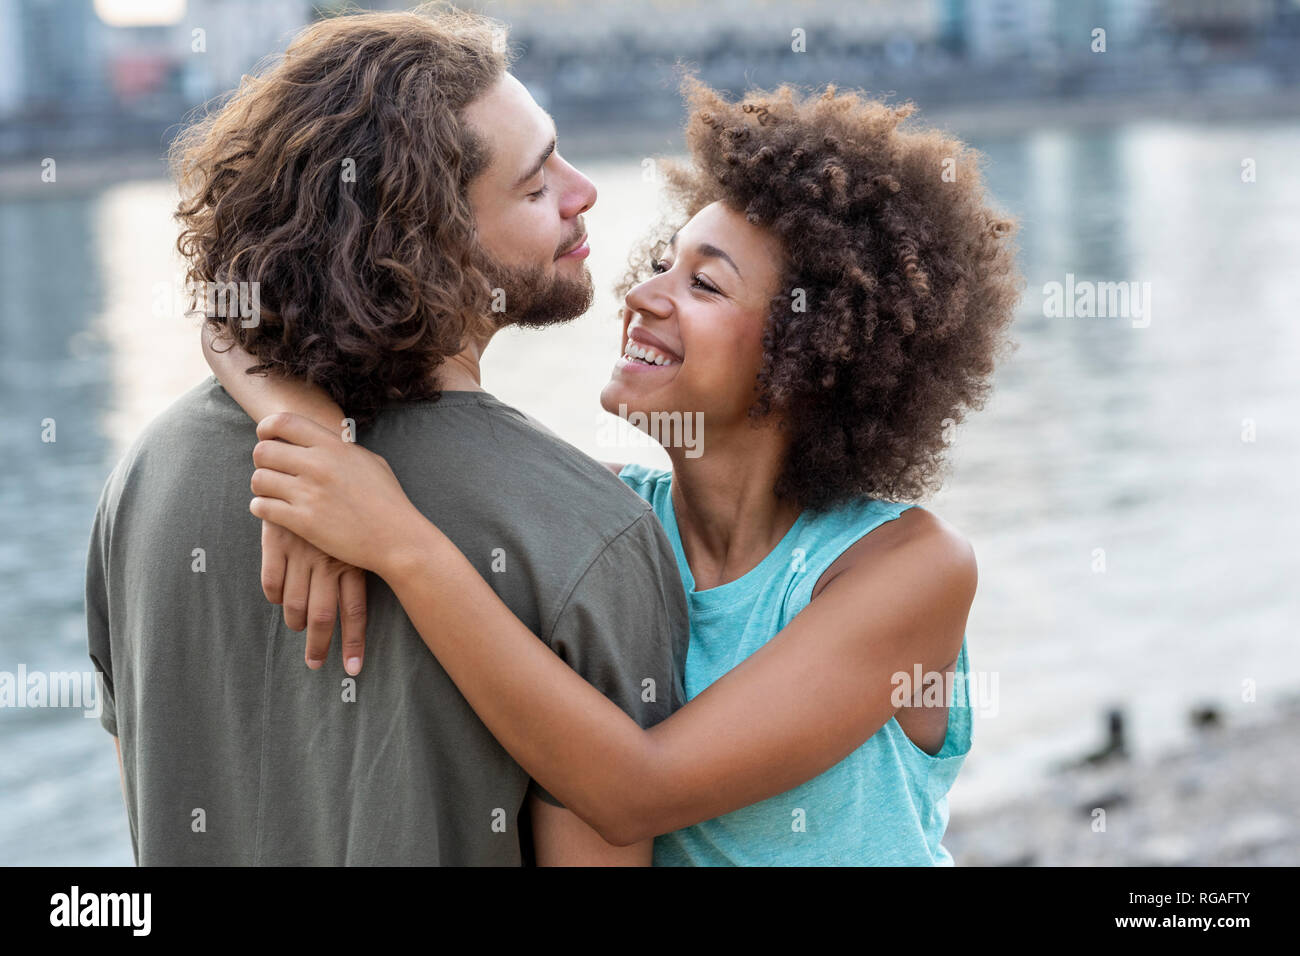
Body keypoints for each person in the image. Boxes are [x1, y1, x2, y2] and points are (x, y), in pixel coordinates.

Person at [207, 80, 1023, 864]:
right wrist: (309, 434)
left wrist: (402, 549)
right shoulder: (606, 520)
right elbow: (227, 319)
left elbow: (638, 792)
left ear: (813, 358)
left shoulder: (909, 567)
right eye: (665, 262)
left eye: (702, 282)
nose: (641, 294)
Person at [84, 7, 689, 866]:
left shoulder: (147, 476)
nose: (582, 189)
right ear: (428, 249)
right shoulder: (592, 534)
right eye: (535, 183)